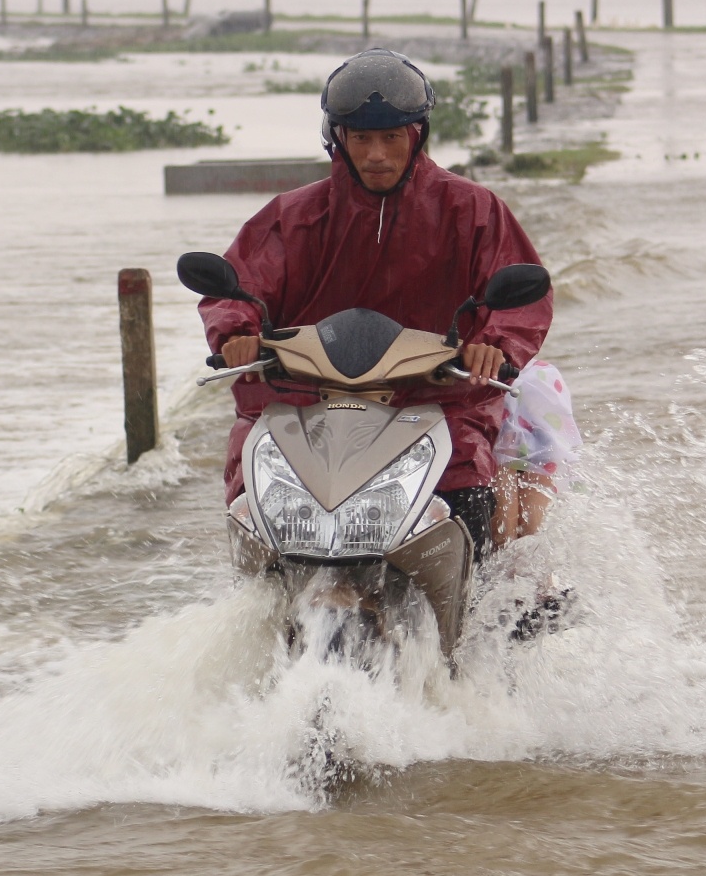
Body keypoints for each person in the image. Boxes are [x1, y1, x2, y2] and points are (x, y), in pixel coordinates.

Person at [200, 47, 552, 558]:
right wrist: (236, 333)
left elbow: (519, 295)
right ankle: (265, 603)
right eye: (361, 138)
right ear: (337, 139)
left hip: (434, 399)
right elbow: (242, 285)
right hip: (305, 399)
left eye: (391, 137)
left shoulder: (473, 209)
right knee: (252, 506)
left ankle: (481, 615)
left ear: (418, 135)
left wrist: (493, 345)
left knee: (469, 495)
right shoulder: (292, 216)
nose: (377, 155)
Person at [491, 359, 581, 547]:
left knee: (501, 463)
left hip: (489, 381)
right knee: (540, 467)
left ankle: (504, 554)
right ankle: (532, 562)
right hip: (535, 380)